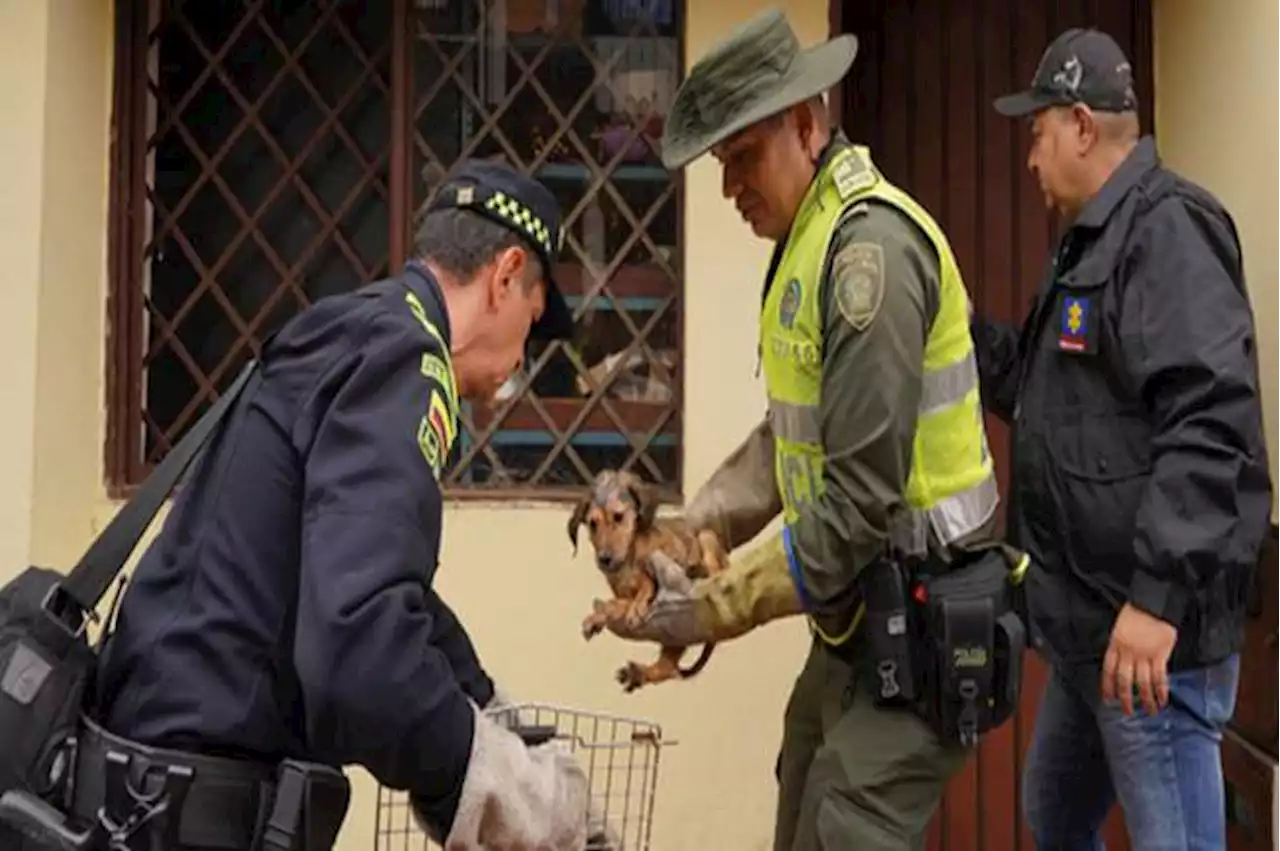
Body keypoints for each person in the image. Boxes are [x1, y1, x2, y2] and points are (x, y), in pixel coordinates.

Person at [81, 159, 590, 850]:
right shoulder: (410, 359)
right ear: (505, 275)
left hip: (142, 780)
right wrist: (501, 785)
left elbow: (351, 577)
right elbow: (363, 648)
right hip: (194, 804)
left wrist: (482, 702)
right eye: (532, 323)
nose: (521, 358)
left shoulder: (351, 329)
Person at [601, 9, 1013, 851]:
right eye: (722, 162)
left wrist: (708, 605)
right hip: (854, 627)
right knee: (800, 802)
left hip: (922, 626)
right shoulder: (806, 241)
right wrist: (691, 532)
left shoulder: (868, 256)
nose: (728, 187)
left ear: (805, 123)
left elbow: (858, 503)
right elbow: (787, 437)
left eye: (742, 156)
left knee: (840, 829)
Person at [973, 27, 1272, 850]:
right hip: (1092, 628)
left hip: (1150, 640)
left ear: (1078, 124)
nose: (1030, 159)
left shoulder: (1168, 229)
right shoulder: (1090, 243)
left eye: (1036, 133)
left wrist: (1155, 598)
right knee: (1057, 811)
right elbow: (1047, 400)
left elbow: (1212, 421)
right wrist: (956, 334)